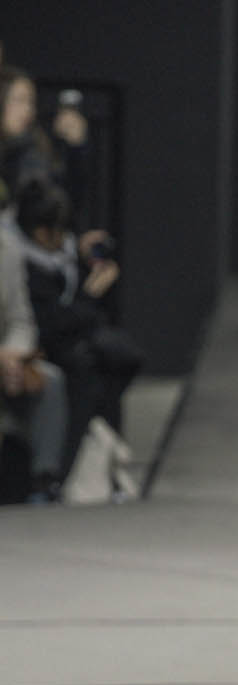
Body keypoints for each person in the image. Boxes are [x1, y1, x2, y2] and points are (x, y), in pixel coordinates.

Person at [13, 177, 142, 484]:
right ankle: (60, 474)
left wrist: (84, 262)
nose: (65, 239)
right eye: (59, 231)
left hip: (72, 343)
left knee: (113, 361)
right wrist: (90, 294)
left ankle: (102, 466)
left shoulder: (62, 253)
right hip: (40, 348)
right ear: (41, 232)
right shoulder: (17, 260)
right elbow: (47, 322)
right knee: (87, 371)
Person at [0, 220, 67, 501]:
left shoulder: (7, 249)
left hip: (6, 361)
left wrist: (13, 355)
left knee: (50, 381)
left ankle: (44, 482)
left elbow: (21, 320)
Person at [0, 65, 89, 227]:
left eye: (31, 102)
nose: (28, 110)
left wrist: (74, 148)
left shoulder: (36, 148)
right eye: (19, 100)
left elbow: (64, 204)